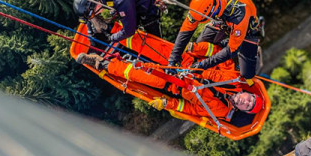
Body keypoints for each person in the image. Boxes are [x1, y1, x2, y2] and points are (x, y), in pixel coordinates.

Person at [76, 53, 263, 118]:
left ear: (241, 110)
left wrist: (167, 104)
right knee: (157, 48)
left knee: (136, 73)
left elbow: (190, 108)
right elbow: (221, 57)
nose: (244, 102)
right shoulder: (234, 80)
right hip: (186, 65)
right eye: (249, 100)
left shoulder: (221, 111)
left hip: (173, 84)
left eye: (246, 106)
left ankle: (100, 63)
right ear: (248, 94)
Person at [167, 0, 262, 79]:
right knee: (200, 45)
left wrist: (202, 65)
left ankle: (251, 49)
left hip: (246, 30)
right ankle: (223, 44)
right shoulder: (204, 2)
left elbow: (231, 50)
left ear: (212, 13)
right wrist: (173, 58)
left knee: (247, 73)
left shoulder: (239, 16)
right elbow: (186, 30)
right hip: (222, 21)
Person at [73, 0, 162, 43]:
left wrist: (111, 38)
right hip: (130, 0)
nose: (95, 16)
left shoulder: (120, 0)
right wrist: (90, 33)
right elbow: (88, 14)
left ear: (95, 5)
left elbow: (129, 31)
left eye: (94, 14)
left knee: (155, 39)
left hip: (145, 6)